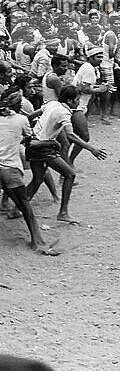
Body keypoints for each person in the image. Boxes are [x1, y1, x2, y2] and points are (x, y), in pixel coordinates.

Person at [23, 86, 108, 223]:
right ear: (69, 100)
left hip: (33, 144)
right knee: (70, 175)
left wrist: (28, 132)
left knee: (38, 179)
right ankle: (63, 212)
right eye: (77, 100)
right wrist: (91, 148)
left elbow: (31, 116)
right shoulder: (64, 113)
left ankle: (18, 209)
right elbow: (70, 134)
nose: (79, 102)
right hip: (43, 148)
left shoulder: (51, 103)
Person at [0, 86, 59, 255]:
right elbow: (31, 142)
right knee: (25, 205)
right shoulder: (21, 120)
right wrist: (52, 144)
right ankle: (37, 241)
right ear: (18, 106)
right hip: (10, 168)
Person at [70, 48, 108, 166]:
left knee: (72, 136)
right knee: (84, 137)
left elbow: (84, 86)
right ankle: (69, 161)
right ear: (90, 58)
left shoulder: (88, 67)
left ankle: (67, 160)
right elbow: (84, 88)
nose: (101, 60)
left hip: (79, 104)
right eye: (98, 57)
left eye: (101, 57)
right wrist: (100, 89)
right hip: (77, 106)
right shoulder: (89, 69)